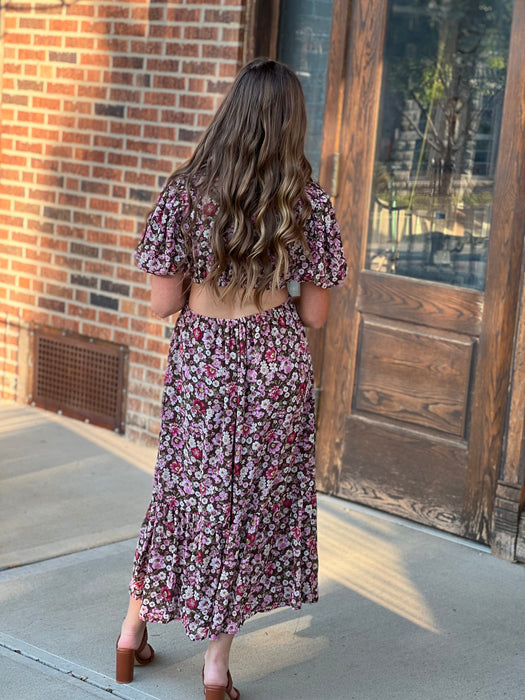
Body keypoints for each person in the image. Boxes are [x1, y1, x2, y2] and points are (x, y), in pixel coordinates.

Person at [115, 57, 348, 699]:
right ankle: (215, 668)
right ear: (290, 123)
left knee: (184, 496)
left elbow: (164, 304)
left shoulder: (183, 195)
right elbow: (318, 315)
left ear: (231, 113)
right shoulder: (307, 201)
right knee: (243, 511)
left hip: (202, 368)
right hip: (275, 365)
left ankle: (130, 633)